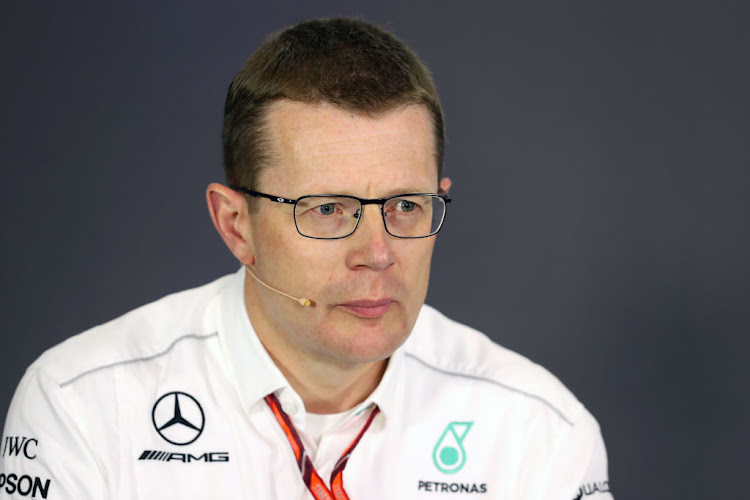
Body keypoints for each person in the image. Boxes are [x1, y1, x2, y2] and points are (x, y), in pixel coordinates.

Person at [0, 18, 612, 500]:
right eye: (327, 210)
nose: (377, 253)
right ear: (235, 225)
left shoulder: (538, 431)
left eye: (405, 205)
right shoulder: (81, 405)